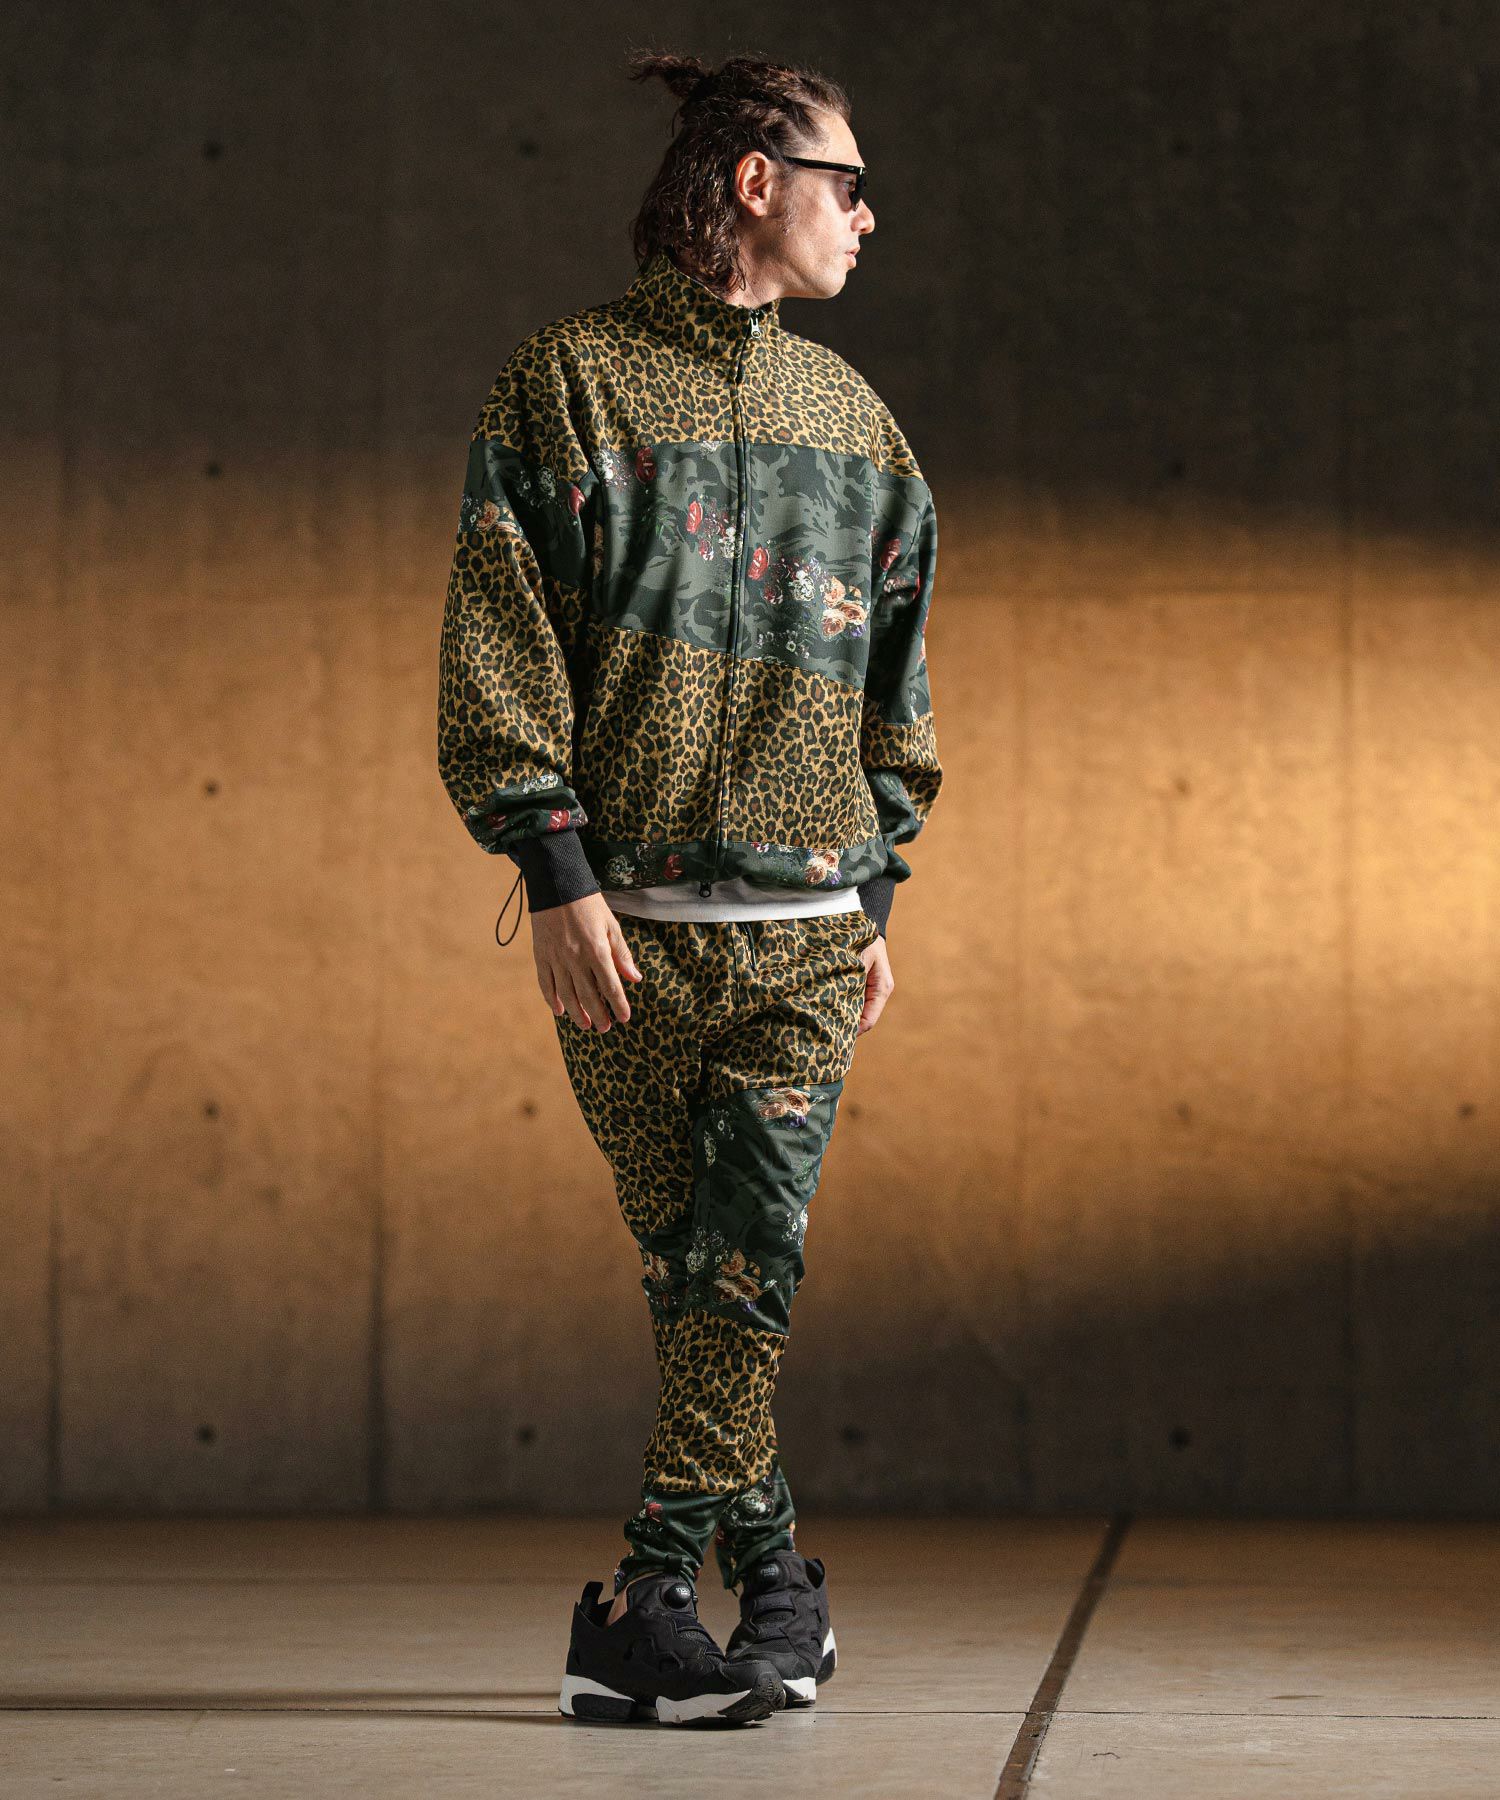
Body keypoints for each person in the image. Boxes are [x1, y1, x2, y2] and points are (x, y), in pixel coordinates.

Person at [437, 48, 943, 1727]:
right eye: (846, 183)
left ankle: (643, 1590)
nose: (867, 215)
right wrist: (554, 872)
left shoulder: (858, 428)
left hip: (802, 940)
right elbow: (503, 638)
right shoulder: (566, 384)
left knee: (744, 1276)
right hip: (622, 942)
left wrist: (873, 899)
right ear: (755, 181)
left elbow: (898, 692)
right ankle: (782, 1580)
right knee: (702, 1286)